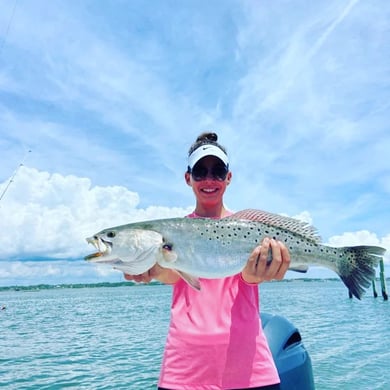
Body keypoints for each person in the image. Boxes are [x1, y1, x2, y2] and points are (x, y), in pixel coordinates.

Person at [124, 132, 291, 390]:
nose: (209, 179)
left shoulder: (250, 228)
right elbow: (172, 275)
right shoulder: (174, 232)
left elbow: (247, 278)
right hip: (184, 372)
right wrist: (152, 269)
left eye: (217, 171)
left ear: (229, 177)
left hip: (250, 370)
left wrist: (261, 273)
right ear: (188, 178)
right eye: (200, 172)